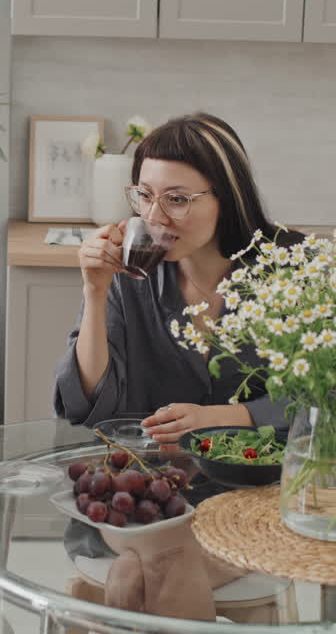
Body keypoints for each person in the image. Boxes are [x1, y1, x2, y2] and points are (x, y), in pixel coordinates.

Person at [53, 113, 304, 442]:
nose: (155, 217)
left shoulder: (295, 266)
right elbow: (80, 405)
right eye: (144, 195)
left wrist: (224, 418)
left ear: (226, 199)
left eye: (177, 199)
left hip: (269, 480)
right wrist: (95, 292)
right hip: (154, 480)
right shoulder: (129, 271)